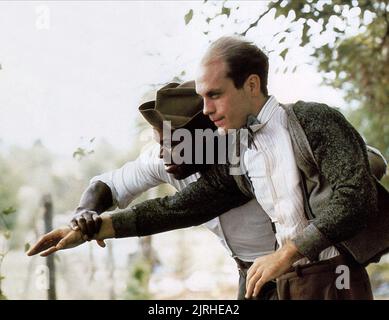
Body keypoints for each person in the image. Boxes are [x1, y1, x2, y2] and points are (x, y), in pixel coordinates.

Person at [28, 36, 389, 300]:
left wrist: (287, 253)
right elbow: (182, 206)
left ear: (250, 85)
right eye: (203, 98)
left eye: (215, 95)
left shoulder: (307, 121)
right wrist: (93, 226)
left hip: (329, 276)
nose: (207, 108)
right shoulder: (243, 151)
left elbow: (354, 195)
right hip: (272, 278)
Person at [28, 81, 278, 300]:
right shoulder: (168, 161)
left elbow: (178, 210)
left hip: (296, 264)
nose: (162, 153)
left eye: (172, 143)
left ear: (206, 137)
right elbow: (109, 184)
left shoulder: (244, 157)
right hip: (251, 271)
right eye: (161, 142)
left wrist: (97, 229)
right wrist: (84, 213)